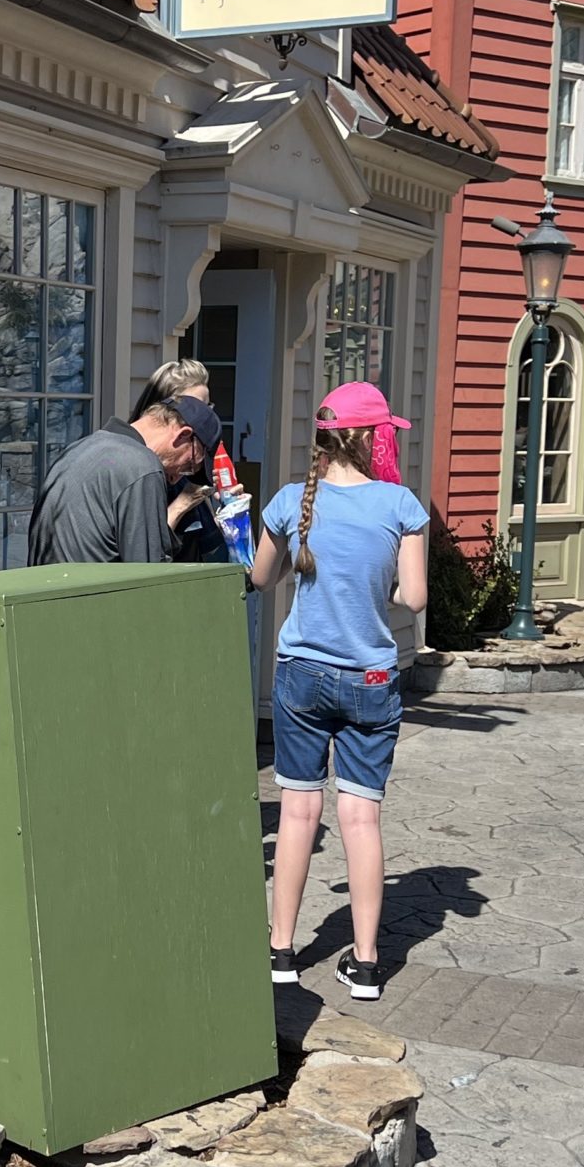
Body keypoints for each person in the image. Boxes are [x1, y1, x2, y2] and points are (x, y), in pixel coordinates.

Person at [252, 384, 429, 1001]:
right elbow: (414, 598)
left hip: (302, 674)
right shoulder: (400, 505)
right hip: (371, 679)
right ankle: (367, 964)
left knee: (299, 812)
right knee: (361, 817)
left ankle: (280, 951)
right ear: (373, 438)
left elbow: (261, 576)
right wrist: (377, 586)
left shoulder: (290, 501)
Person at [29, 392, 222, 565]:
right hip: (93, 593)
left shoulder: (79, 448)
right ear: (183, 435)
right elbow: (148, 573)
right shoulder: (143, 466)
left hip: (48, 590)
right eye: (188, 466)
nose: (175, 479)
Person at [135, 356, 231, 562]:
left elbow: (208, 543)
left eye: (207, 407)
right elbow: (144, 549)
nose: (204, 418)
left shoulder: (189, 461)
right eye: (194, 408)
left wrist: (227, 510)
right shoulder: (141, 470)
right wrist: (183, 502)